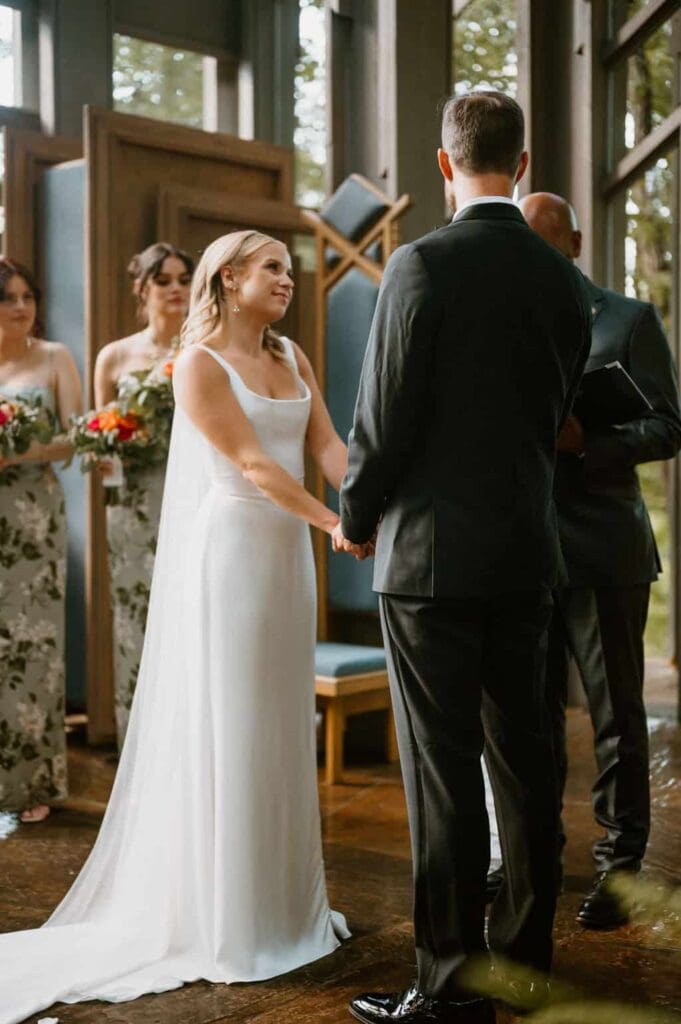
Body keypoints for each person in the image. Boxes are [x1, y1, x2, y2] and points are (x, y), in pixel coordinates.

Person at [0, 230, 351, 1021]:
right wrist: (333, 526)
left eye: (287, 272)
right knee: (233, 726)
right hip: (233, 555)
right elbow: (257, 468)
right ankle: (230, 918)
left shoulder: (292, 358)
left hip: (284, 560)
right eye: (271, 268)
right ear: (227, 279)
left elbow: (325, 444)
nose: (284, 281)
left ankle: (282, 906)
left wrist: (377, 496)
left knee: (276, 726)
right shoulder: (196, 365)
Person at [336, 92, 592, 1024]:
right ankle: (525, 969)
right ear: (519, 166)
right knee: (526, 772)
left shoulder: (420, 264)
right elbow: (556, 408)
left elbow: (384, 414)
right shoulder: (563, 279)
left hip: (428, 563)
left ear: (443, 164)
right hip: (527, 555)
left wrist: (356, 514)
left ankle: (448, 986)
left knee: (443, 775)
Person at [507, 192, 679, 928]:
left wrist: (588, 443)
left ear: (574, 242)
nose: (536, 255)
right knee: (529, 714)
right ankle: (533, 855)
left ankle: (619, 869)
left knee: (615, 714)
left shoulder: (628, 318)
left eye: (547, 242)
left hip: (604, 545)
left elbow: (668, 425)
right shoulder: (505, 324)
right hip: (520, 547)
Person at [94, 242, 194, 749]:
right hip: (132, 505)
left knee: (189, 617)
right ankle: (139, 747)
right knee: (134, 620)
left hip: (192, 499)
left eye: (182, 279)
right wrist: (108, 443)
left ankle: (186, 745)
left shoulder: (202, 350)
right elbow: (100, 436)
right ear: (142, 289)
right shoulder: (114, 356)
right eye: (164, 280)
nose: (175, 288)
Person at [0, 258, 82, 824]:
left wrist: (16, 452)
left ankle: (33, 781)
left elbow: (75, 438)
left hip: (34, 516)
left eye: (28, 295)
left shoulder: (55, 358)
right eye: (8, 297)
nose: (21, 305)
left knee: (33, 647)